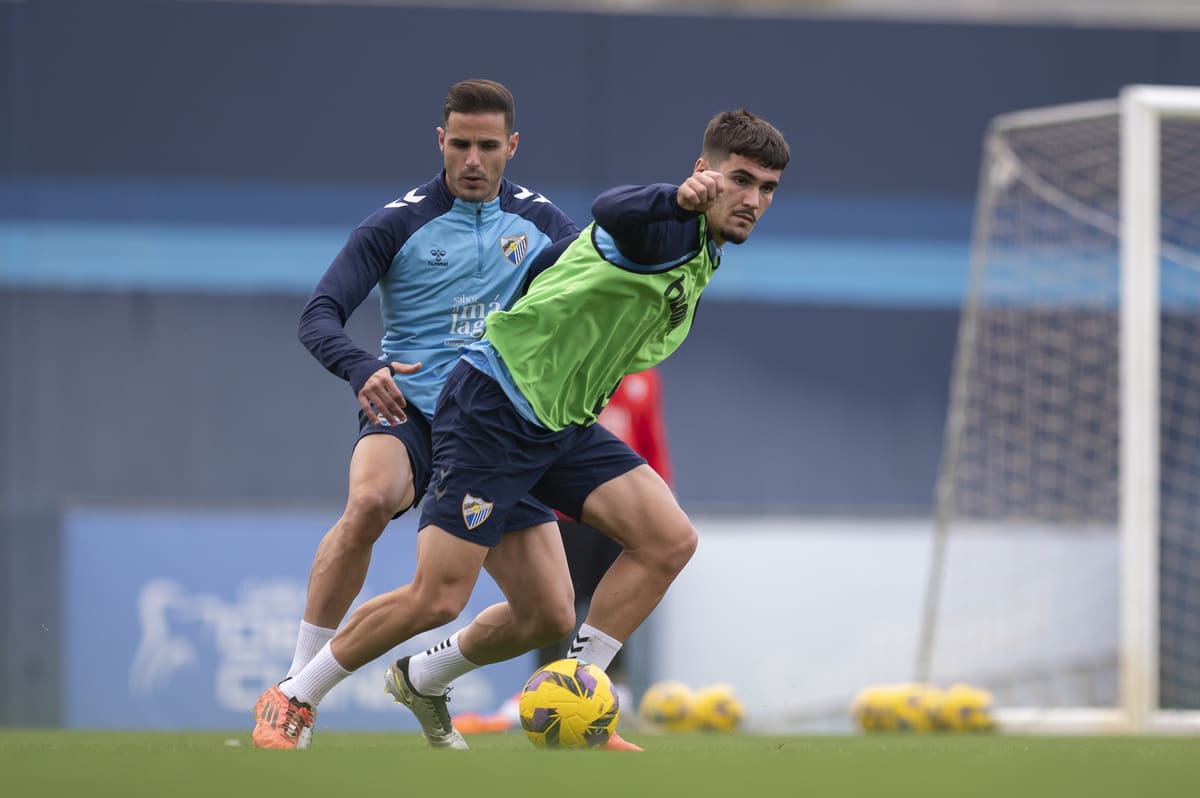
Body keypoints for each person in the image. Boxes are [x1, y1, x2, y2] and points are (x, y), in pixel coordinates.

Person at [253, 108, 790, 752]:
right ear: (704, 172)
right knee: (437, 597)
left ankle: (511, 686)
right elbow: (613, 208)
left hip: (557, 421)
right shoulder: (666, 227)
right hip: (495, 410)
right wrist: (673, 198)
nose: (753, 200)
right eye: (741, 180)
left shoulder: (700, 247)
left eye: (767, 189)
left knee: (629, 564)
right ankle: (294, 696)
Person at [251, 78, 577, 748]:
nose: (473, 160)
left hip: (498, 427)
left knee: (549, 614)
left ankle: (426, 676)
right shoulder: (395, 223)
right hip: (413, 411)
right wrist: (361, 366)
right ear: (441, 141)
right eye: (460, 144)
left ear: (512, 146)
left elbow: (592, 299)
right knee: (371, 499)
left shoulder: (545, 226)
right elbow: (319, 315)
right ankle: (293, 693)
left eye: (488, 146)